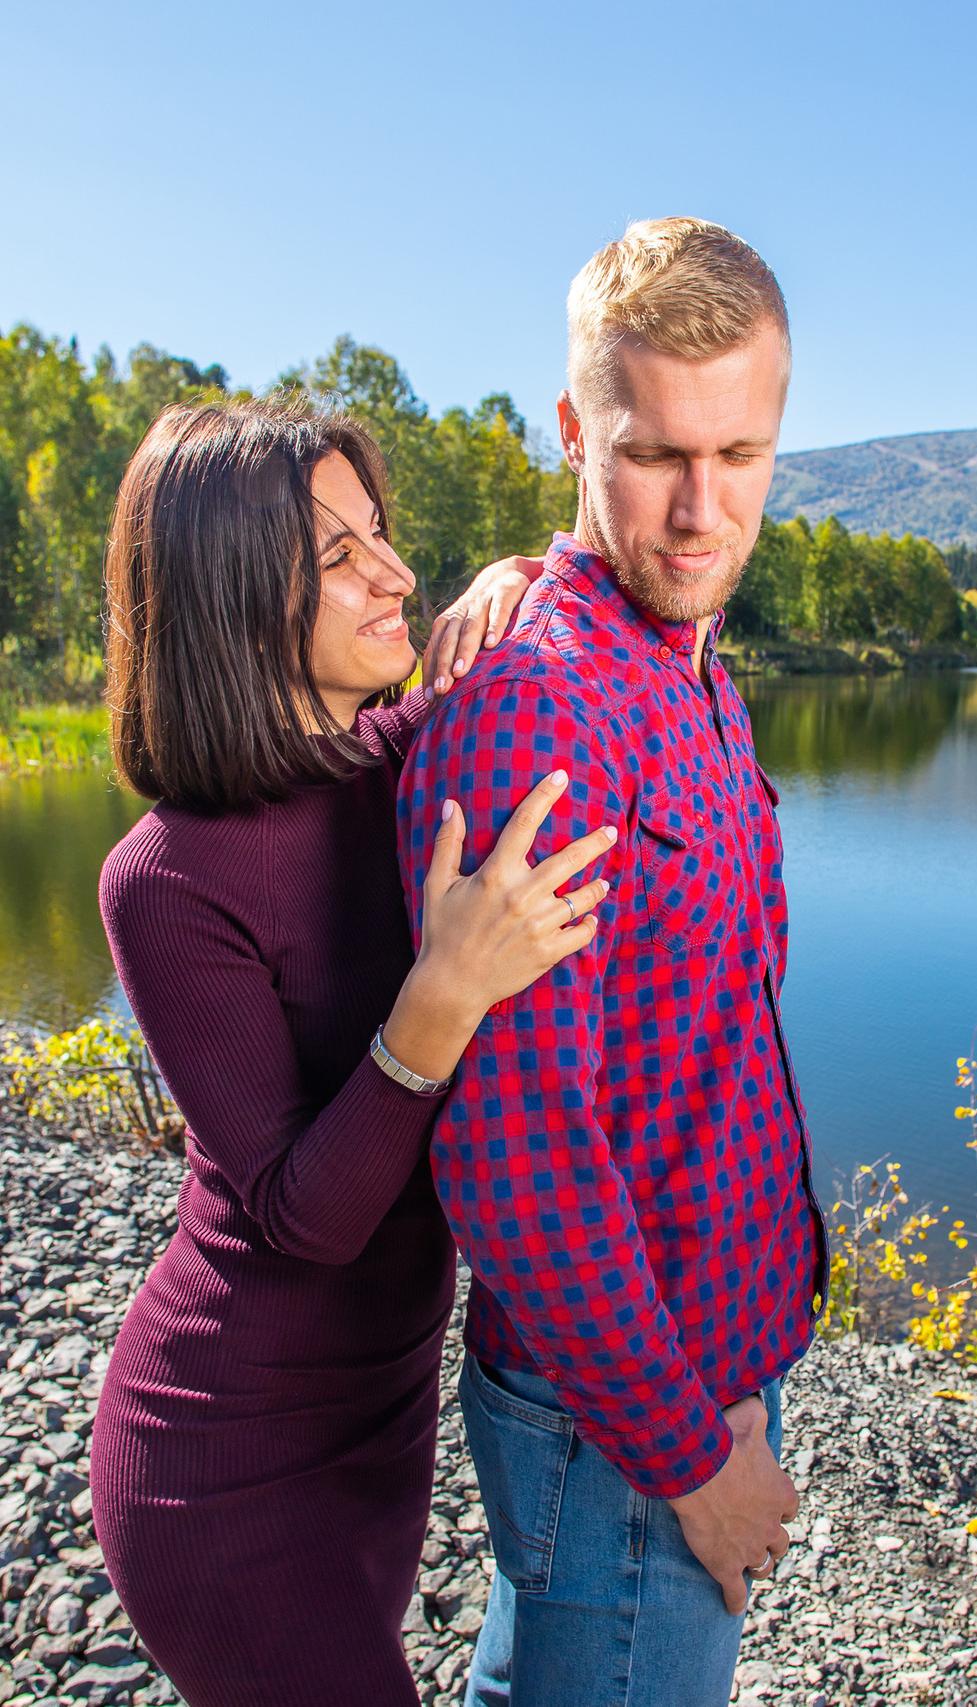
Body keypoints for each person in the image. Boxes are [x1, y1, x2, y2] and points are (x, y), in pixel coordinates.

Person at [87, 401, 618, 1706]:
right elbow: (294, 1217)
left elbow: (493, 660)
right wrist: (442, 995)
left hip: (382, 1426)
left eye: (380, 533)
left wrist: (520, 581)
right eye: (338, 557)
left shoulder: (408, 758)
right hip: (224, 1462)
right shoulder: (164, 881)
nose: (394, 572)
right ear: (226, 599)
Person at [396, 217, 823, 1707]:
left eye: (743, 455)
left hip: (693, 1355)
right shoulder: (546, 717)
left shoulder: (687, 669)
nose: (703, 511)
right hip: (627, 1409)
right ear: (574, 430)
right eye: (653, 457)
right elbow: (516, 1162)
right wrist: (694, 1461)